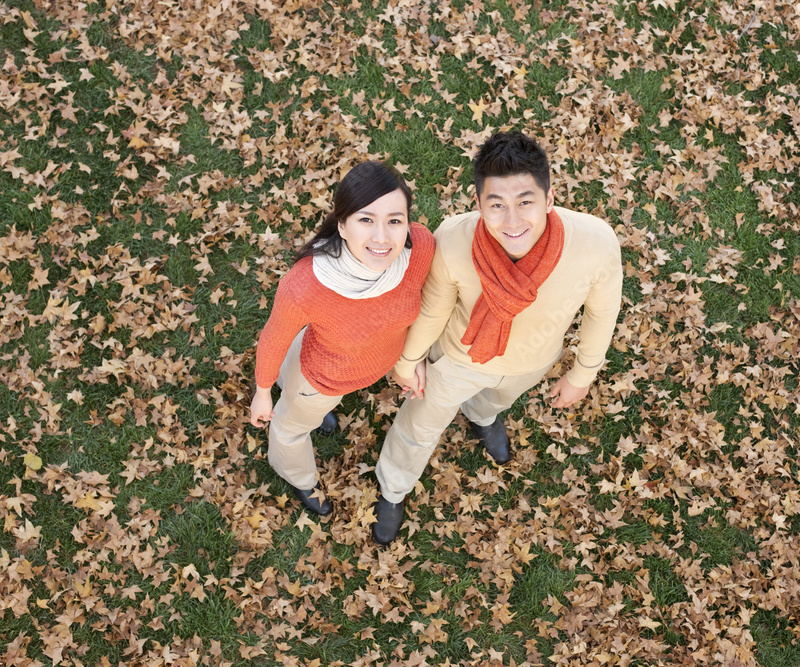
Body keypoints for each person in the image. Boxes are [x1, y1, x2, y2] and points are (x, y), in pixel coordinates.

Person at [369, 131, 624, 544]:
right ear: (479, 205)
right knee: (419, 427)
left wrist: (583, 375)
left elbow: (602, 312)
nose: (512, 221)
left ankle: (483, 418)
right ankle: (394, 488)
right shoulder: (454, 237)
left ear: (550, 197)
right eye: (497, 205)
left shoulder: (596, 243)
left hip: (532, 362)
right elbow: (434, 308)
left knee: (494, 401)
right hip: (456, 361)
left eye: (526, 202)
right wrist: (408, 360)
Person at [251, 161, 434, 516]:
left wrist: (415, 359)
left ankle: (317, 411)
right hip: (322, 379)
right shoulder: (305, 285)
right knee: (291, 429)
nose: (382, 237)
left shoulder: (420, 249)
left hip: (378, 362)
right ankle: (301, 480)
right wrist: (261, 393)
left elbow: (432, 304)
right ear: (343, 225)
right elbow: (274, 337)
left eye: (394, 220)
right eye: (366, 219)